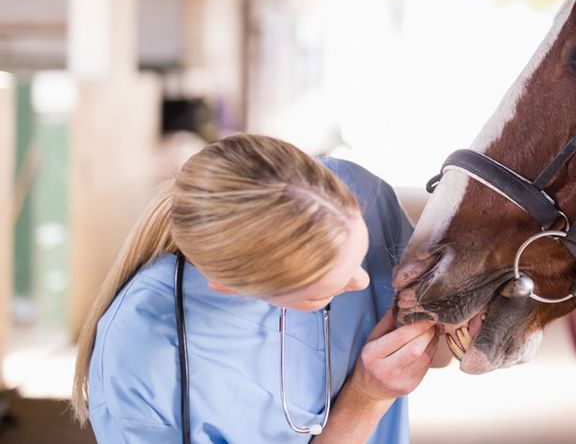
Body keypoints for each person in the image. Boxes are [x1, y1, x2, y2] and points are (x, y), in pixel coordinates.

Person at [71, 133, 437, 443]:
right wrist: (366, 399)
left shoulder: (358, 189)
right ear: (229, 287)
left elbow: (439, 352)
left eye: (361, 253)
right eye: (320, 292)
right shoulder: (141, 360)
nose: (363, 282)